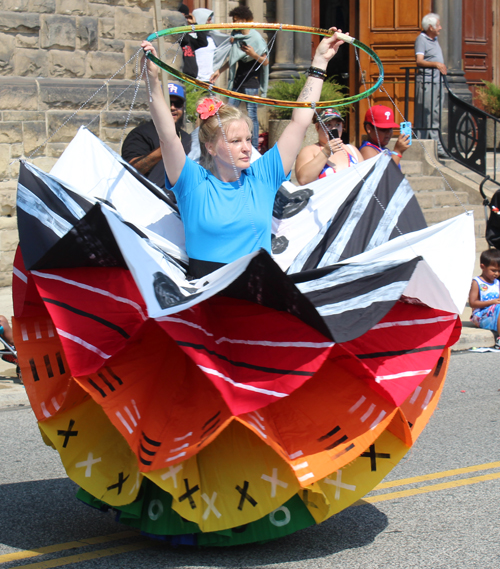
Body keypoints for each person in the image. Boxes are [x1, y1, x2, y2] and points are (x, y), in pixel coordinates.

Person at [141, 28, 345, 278]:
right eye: (235, 141)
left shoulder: (263, 176)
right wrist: (151, 80)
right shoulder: (192, 181)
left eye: (248, 139)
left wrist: (320, 63)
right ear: (211, 147)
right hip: (206, 296)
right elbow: (167, 136)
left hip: (257, 291)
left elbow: (299, 123)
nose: (247, 147)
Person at [209, 6, 269, 149]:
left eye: (236, 21)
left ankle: (253, 147)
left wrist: (254, 55)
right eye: (233, 21)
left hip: (251, 81)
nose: (234, 23)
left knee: (252, 114)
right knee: (229, 111)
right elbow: (233, 59)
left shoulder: (256, 38)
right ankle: (227, 142)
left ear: (245, 20)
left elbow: (265, 62)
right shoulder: (236, 36)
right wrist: (219, 70)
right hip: (237, 80)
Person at [121, 83, 191, 190]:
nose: (173, 107)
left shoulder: (187, 138)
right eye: (168, 103)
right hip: (146, 198)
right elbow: (129, 170)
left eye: (178, 104)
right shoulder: (140, 134)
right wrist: (165, 149)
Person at [295, 109, 363, 185]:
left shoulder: (352, 150)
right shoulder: (309, 150)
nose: (334, 129)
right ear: (317, 127)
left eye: (337, 125)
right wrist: (325, 152)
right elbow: (303, 180)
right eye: (328, 125)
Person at [414, 12, 447, 158]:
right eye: (438, 25)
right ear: (430, 27)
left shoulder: (435, 39)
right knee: (426, 113)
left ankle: (436, 144)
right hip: (427, 81)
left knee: (435, 113)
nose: (440, 28)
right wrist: (436, 64)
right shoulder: (421, 39)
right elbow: (419, 61)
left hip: (437, 81)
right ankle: (425, 144)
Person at [469, 248, 500, 349]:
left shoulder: (497, 282)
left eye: (499, 271)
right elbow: (473, 303)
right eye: (493, 270)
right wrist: (492, 302)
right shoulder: (477, 282)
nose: (496, 274)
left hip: (494, 314)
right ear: (483, 267)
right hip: (480, 316)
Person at [191, 8, 217, 81]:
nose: (211, 23)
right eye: (208, 20)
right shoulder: (191, 38)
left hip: (209, 80)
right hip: (194, 80)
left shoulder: (213, 38)